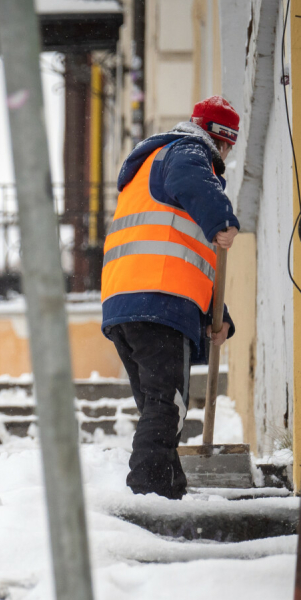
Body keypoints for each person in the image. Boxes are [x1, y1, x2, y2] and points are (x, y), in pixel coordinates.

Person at [101, 96, 241, 498]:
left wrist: (219, 315)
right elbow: (189, 181)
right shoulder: (187, 153)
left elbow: (182, 251)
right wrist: (222, 218)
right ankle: (149, 490)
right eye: (229, 146)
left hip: (128, 301)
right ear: (222, 141)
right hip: (158, 300)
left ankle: (170, 485)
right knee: (167, 404)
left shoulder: (154, 164)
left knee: (159, 406)